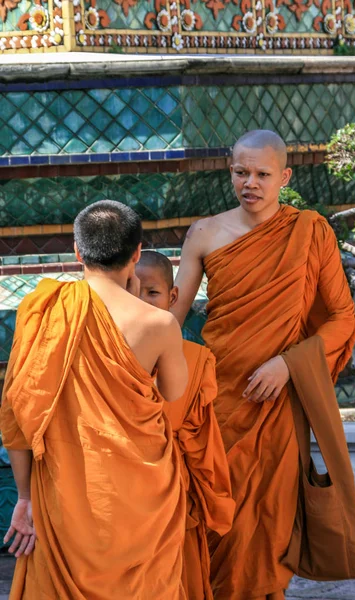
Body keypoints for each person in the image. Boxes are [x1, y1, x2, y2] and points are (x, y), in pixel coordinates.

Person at [171, 130, 355, 599]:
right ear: (231, 171)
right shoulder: (205, 233)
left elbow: (344, 318)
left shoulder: (309, 231)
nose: (251, 184)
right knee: (215, 523)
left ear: (285, 176)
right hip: (218, 404)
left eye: (263, 174)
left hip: (279, 406)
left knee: (269, 530)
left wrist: (287, 364)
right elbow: (168, 322)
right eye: (242, 172)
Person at [0, 200, 188, 600]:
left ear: (77, 252)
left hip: (67, 497)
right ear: (137, 253)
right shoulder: (159, 323)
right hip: (144, 496)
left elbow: (17, 412)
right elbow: (174, 392)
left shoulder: (44, 310)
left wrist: (26, 498)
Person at [136, 250, 235, 600]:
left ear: (173, 297)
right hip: (122, 488)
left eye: (152, 293)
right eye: (132, 291)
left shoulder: (194, 360)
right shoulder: (104, 354)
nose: (142, 302)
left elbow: (201, 439)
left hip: (176, 493)